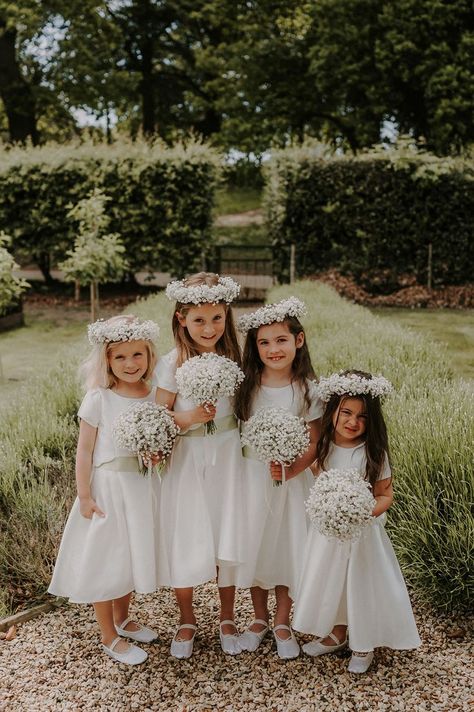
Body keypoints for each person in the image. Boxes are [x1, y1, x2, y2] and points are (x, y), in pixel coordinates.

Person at [48, 315, 163, 665]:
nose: (130, 364)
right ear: (107, 361)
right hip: (108, 488)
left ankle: (123, 618)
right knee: (107, 558)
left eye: (137, 355)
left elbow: (159, 440)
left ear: (149, 356)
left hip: (140, 487)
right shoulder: (99, 398)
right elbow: (84, 450)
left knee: (129, 556)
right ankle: (108, 636)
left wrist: (156, 454)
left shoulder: (155, 395)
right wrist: (84, 495)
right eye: (120, 357)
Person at [292, 370, 421, 673]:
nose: (353, 422)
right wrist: (330, 507)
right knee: (332, 584)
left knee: (360, 585)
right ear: (333, 411)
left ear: (371, 422)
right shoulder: (322, 448)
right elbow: (317, 484)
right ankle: (337, 633)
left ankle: (363, 642)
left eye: (362, 417)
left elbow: (385, 495)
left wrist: (363, 511)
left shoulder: (373, 452)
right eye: (346, 412)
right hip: (329, 537)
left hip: (364, 538)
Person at [154, 273, 244, 658]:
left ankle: (227, 617)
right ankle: (187, 618)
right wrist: (189, 418)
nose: (209, 328)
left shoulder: (235, 359)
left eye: (217, 319)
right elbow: (159, 416)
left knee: (228, 531)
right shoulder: (171, 362)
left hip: (227, 455)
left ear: (227, 316)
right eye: (199, 320)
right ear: (181, 319)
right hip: (187, 459)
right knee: (186, 535)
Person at [233, 297, 322, 659]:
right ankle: (258, 619)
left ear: (298, 341)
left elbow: (315, 440)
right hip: (252, 479)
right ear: (254, 348)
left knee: (286, 546)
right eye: (264, 342)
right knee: (256, 546)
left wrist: (293, 468)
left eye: (281, 340)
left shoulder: (307, 389)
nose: (273, 349)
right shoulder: (247, 386)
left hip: (291, 480)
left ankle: (283, 620)